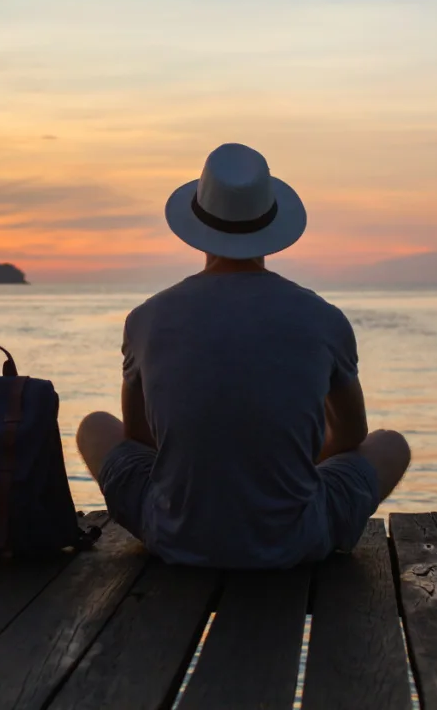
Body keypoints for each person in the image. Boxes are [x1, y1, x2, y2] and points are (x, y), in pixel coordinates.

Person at [77, 143, 411, 568]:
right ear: (270, 226)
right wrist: (275, 462)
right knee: (390, 444)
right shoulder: (323, 318)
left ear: (197, 223)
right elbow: (350, 436)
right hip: (295, 543)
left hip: (175, 537)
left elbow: (142, 438)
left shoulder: (146, 318)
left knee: (95, 426)